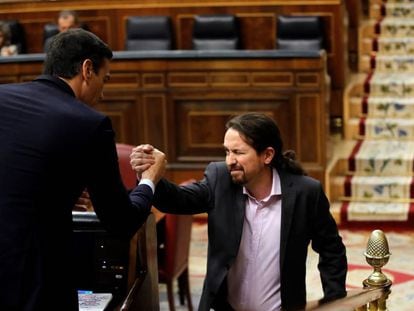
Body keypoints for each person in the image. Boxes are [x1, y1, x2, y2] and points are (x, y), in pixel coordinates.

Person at [0, 28, 166, 310]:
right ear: (87, 69)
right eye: (105, 79)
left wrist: (55, 191)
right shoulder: (89, 123)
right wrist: (149, 181)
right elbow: (120, 221)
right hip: (36, 280)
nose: (102, 92)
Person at [131, 112, 347, 311]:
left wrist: (334, 300)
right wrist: (149, 175)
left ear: (267, 155)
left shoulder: (305, 193)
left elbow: (331, 249)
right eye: (227, 151)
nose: (229, 161)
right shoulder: (220, 179)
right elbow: (178, 200)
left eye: (238, 152)